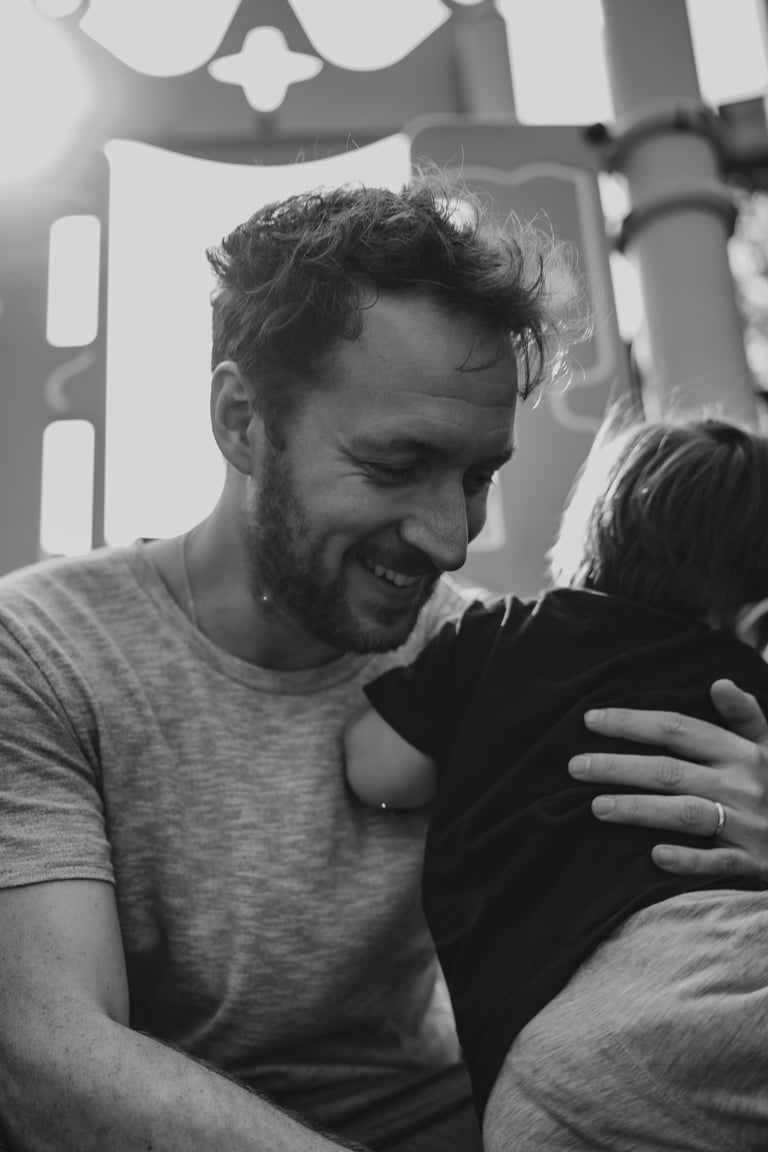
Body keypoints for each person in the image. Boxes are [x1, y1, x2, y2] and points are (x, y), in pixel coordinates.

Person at [0, 174, 767, 1152]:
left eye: (479, 476)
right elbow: (44, 1057)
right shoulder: (41, 653)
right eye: (395, 467)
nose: (450, 539)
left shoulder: (493, 665)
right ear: (241, 421)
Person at [345, 413, 768, 1150]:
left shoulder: (497, 636)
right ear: (757, 620)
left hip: (539, 1072)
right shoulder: (743, 689)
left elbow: (375, 768)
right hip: (720, 970)